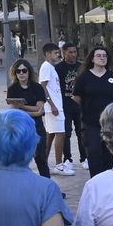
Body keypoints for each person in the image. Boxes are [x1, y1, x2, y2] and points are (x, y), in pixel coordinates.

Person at [73, 46, 113, 176]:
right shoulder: (84, 78)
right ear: (92, 59)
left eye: (104, 56)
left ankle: (107, 183)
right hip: (91, 123)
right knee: (94, 155)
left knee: (108, 155)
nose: (102, 58)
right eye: (99, 56)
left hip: (109, 124)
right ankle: (95, 183)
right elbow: (77, 97)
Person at [3, 60, 50, 177]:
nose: (21, 73)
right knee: (21, 160)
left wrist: (22, 107)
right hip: (20, 128)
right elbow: (15, 111)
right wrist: (34, 112)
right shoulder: (13, 88)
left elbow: (40, 108)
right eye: (18, 71)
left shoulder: (37, 87)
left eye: (24, 70)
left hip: (36, 128)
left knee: (41, 159)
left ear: (29, 72)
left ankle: (47, 186)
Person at [37, 43, 72, 175]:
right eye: (55, 53)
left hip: (57, 105)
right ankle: (58, 164)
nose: (58, 55)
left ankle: (43, 162)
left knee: (51, 135)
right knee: (60, 134)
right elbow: (43, 86)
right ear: (47, 54)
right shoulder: (46, 67)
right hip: (54, 106)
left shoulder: (51, 68)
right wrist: (51, 104)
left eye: (58, 52)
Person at [57, 44, 83, 165]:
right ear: (63, 53)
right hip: (65, 105)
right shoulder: (58, 68)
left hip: (80, 105)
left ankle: (84, 158)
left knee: (81, 132)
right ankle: (67, 159)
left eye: (74, 52)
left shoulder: (82, 67)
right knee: (66, 133)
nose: (73, 54)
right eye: (70, 52)